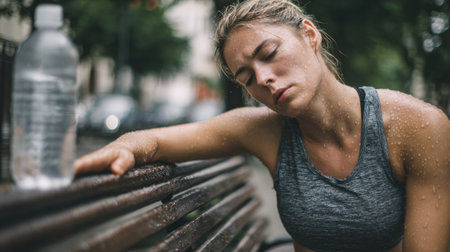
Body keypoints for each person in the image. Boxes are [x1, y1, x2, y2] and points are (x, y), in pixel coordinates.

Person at [75, 0, 450, 251]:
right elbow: (151, 141)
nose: (264, 79)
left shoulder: (418, 127)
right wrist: (125, 147)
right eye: (247, 77)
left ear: (309, 35)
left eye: (269, 54)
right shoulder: (264, 130)